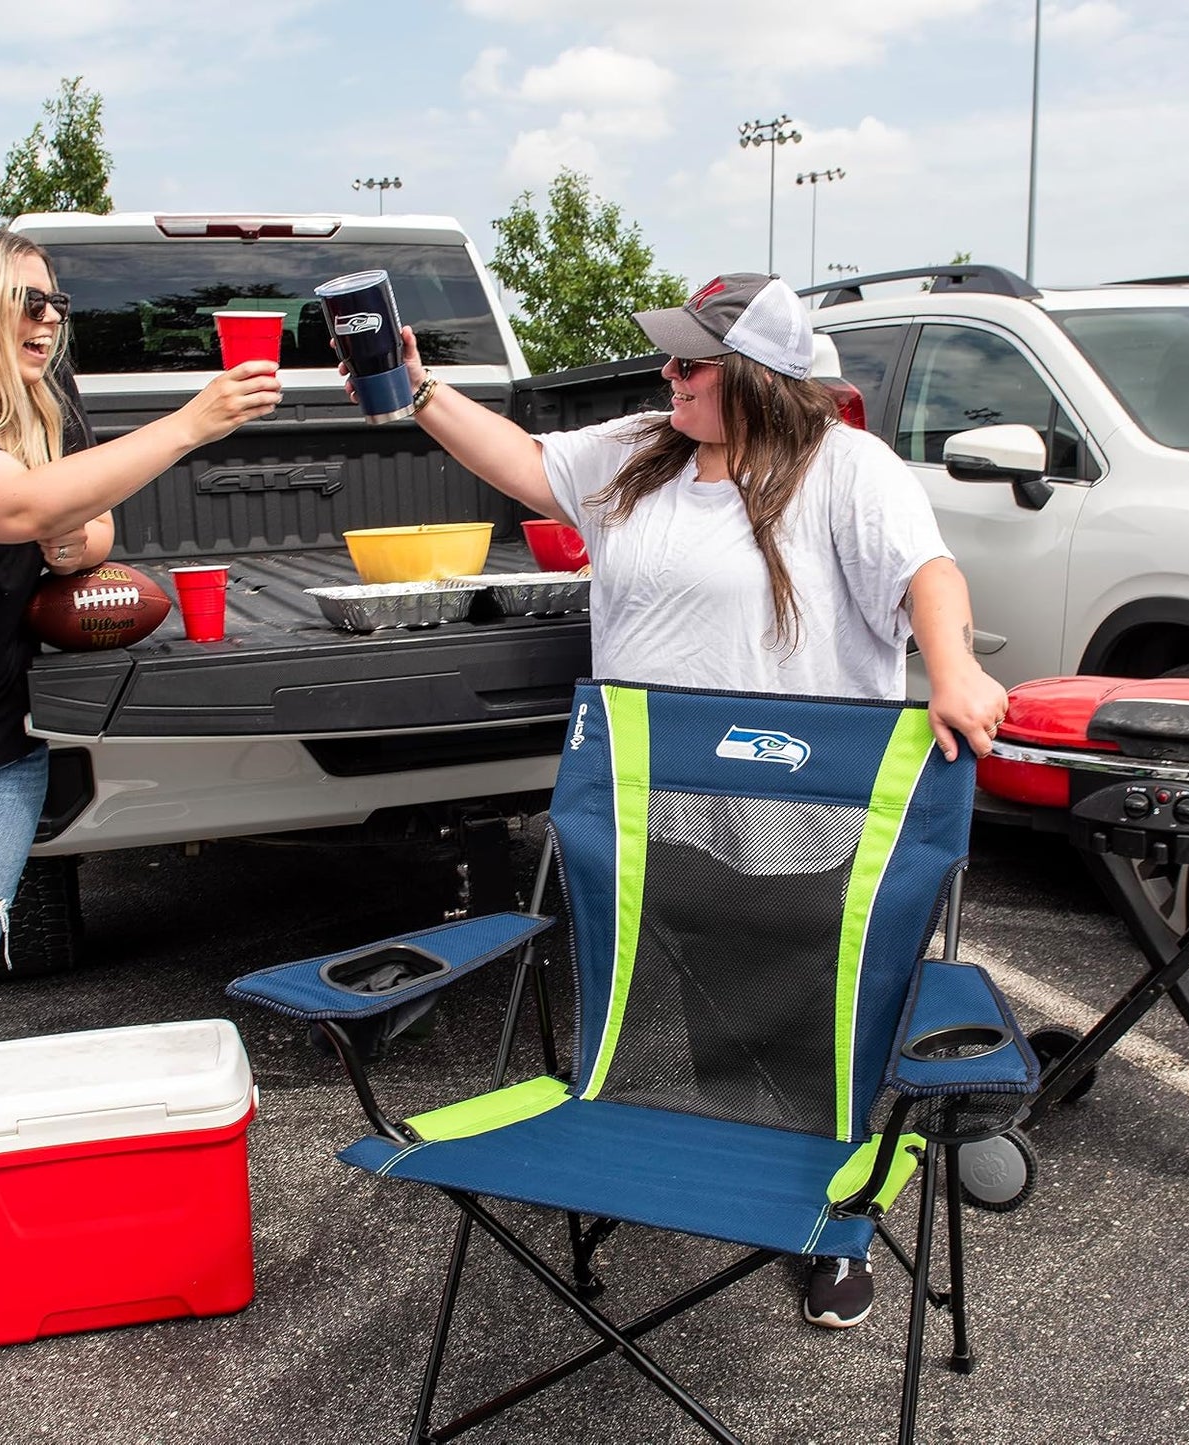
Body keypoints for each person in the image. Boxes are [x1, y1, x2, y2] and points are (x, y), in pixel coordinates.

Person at [347, 271, 1010, 1332]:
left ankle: (823, 1223)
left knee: (811, 1030)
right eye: (671, 358)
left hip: (807, 801)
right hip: (658, 806)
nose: (668, 375)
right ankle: (730, 1175)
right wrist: (419, 390)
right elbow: (526, 465)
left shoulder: (844, 470)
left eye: (691, 363)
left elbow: (925, 575)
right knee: (710, 1018)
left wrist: (952, 670)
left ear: (757, 377)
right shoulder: (641, 449)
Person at [0, 223, 280, 1320]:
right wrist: (189, 420)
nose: (47, 321)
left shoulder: (41, 405)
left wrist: (75, 532)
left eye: (54, 305)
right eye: (24, 302)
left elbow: (83, 531)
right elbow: (23, 510)